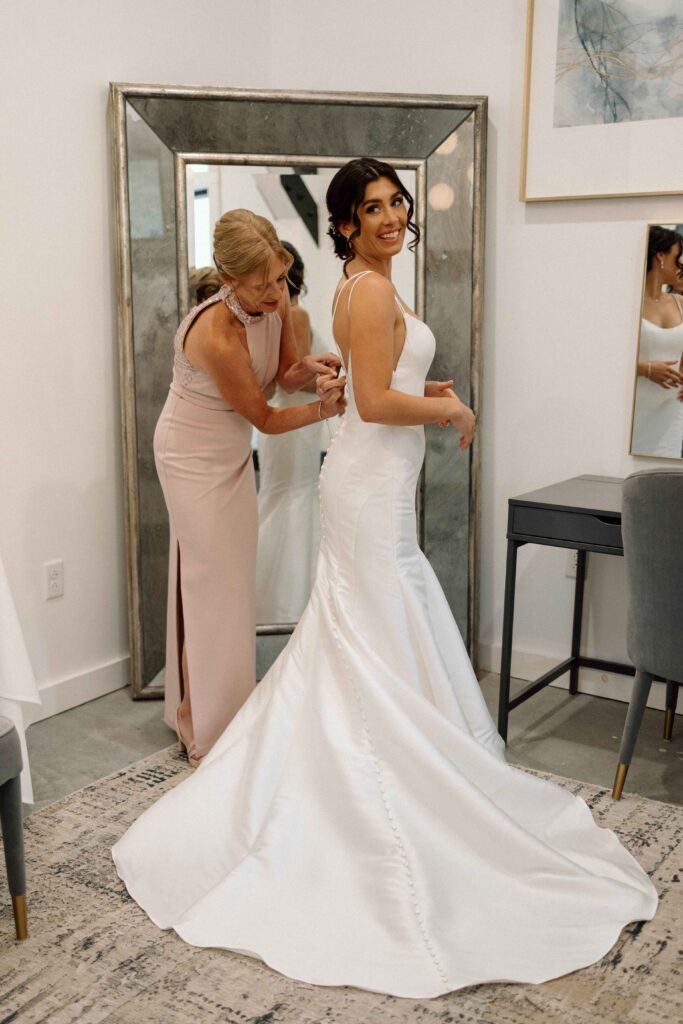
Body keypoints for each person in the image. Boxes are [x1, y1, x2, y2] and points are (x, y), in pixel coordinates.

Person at [114, 160, 657, 999]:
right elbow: (368, 402)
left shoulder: (366, 289)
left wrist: (423, 386)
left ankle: (376, 769)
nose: (391, 216)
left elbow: (377, 379)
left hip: (374, 485)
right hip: (367, 489)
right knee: (369, 628)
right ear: (343, 226)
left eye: (397, 202)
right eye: (372, 208)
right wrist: (449, 408)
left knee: (368, 631)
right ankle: (366, 796)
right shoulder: (363, 292)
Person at [154, 210, 343, 766]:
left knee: (230, 584)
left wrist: (310, 367)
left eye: (280, 280)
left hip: (230, 452)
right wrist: (322, 409)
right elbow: (263, 416)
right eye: (261, 285)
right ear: (229, 278)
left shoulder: (274, 296)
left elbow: (282, 375)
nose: (274, 293)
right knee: (215, 582)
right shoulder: (213, 333)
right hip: (189, 455)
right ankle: (208, 731)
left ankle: (212, 708)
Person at [255, 241, 326, 623]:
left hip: (280, 421)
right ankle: (290, 606)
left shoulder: (268, 318)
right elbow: (294, 381)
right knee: (294, 498)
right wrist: (340, 387)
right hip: (294, 419)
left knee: (280, 496)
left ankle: (267, 600)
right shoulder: (295, 315)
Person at [631, 225, 683, 457]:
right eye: (677, 255)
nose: (681, 262)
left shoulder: (681, 303)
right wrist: (646, 369)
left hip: (671, 410)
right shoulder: (629, 302)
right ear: (660, 256)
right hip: (633, 411)